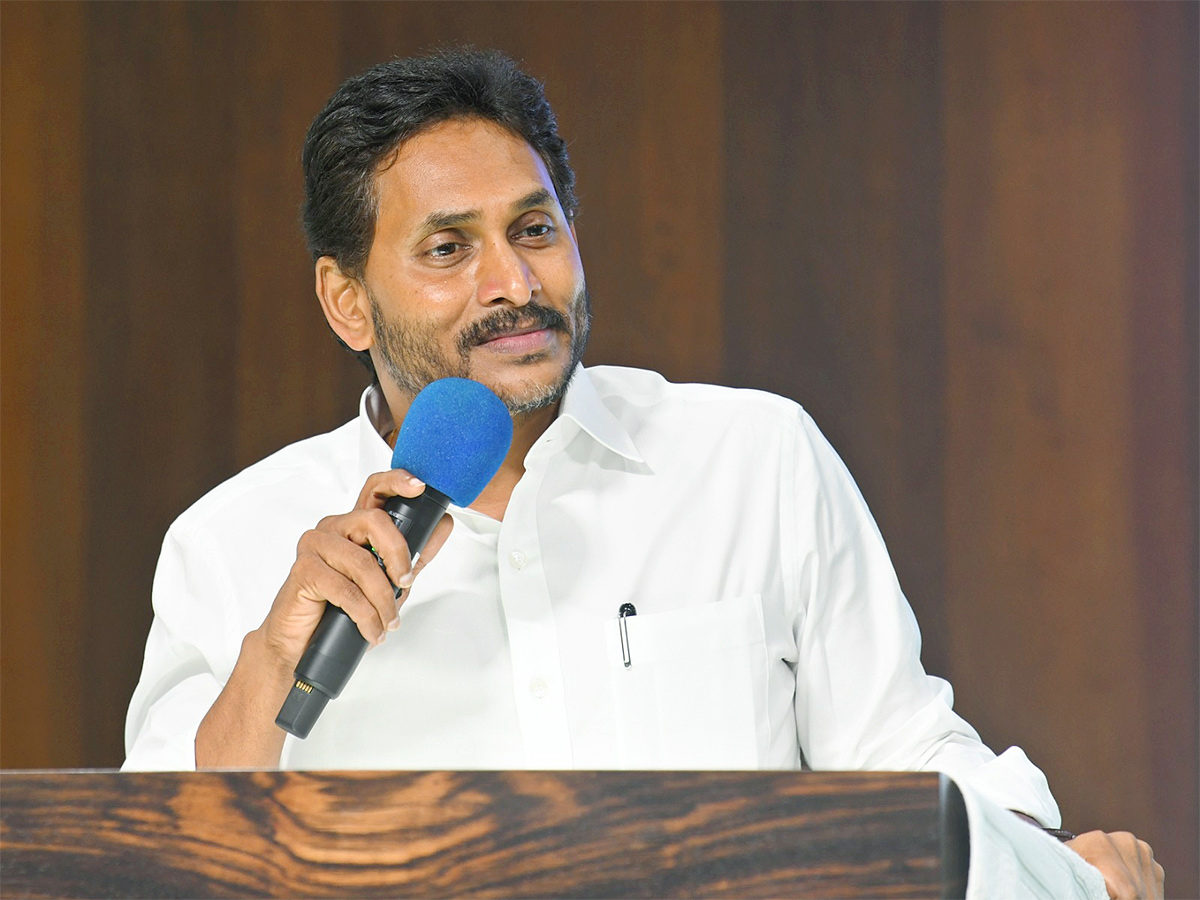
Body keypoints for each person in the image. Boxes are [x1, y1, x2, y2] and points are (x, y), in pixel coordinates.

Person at [124, 49, 1163, 899]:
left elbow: (900, 754)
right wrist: (272, 662)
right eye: (448, 249)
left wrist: (1044, 857)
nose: (515, 283)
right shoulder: (231, 542)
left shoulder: (754, 458)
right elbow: (139, 866)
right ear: (347, 302)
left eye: (535, 230)